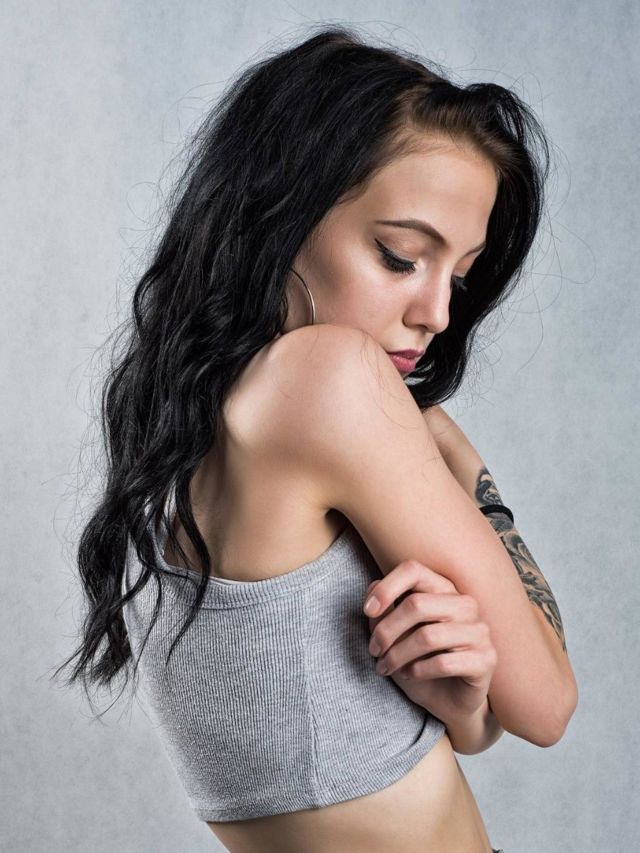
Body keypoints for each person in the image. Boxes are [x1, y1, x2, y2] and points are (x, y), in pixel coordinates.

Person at [53, 25, 578, 853]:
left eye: (459, 274)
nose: (439, 313)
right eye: (400, 256)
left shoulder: (185, 430)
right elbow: (548, 703)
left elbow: (438, 734)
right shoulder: (326, 380)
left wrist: (463, 702)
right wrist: (465, 464)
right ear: (282, 214)